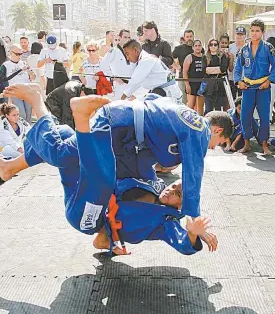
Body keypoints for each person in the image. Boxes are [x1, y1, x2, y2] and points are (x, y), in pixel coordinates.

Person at [0, 84, 224, 254]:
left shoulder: (166, 220)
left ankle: (12, 165)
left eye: (176, 195)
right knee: (67, 141)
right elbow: (193, 175)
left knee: (95, 172)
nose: (170, 190)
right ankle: (44, 114)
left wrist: (193, 232)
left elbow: (183, 242)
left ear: (179, 208)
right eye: (174, 186)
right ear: (217, 130)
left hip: (87, 215)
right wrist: (193, 212)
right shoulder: (197, 135)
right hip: (114, 138)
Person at [234, 19, 275, 155]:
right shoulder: (244, 49)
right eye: (252, 30)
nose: (254, 33)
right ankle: (247, 143)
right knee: (245, 116)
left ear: (262, 32)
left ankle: (264, 144)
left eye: (257, 31)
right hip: (247, 87)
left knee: (264, 117)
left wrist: (270, 80)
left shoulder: (268, 47)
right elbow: (237, 67)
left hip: (263, 87)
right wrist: (238, 81)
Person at [0, 44, 35, 123]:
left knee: (28, 114)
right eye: (17, 54)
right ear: (11, 53)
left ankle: (28, 132)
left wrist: (30, 72)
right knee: (21, 114)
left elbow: (33, 77)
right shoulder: (5, 65)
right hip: (15, 92)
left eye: (21, 54)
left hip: (27, 90)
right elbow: (2, 79)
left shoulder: (24, 63)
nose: (19, 56)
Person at [100, 29, 136, 100]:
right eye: (125, 37)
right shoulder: (113, 51)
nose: (127, 39)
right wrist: (113, 77)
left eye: (129, 38)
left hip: (131, 85)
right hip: (119, 85)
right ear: (119, 38)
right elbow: (103, 65)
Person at [202, 38, 229, 115]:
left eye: (215, 44)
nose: (213, 46)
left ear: (218, 46)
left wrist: (209, 70)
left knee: (218, 109)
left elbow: (223, 69)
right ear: (208, 46)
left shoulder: (222, 56)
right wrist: (217, 69)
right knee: (208, 109)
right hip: (209, 86)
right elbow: (204, 70)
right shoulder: (205, 57)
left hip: (219, 86)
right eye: (211, 44)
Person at [183, 39, 205, 114]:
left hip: (201, 84)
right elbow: (184, 72)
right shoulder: (189, 57)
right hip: (192, 84)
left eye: (199, 45)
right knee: (191, 105)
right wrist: (187, 85)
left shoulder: (205, 57)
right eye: (196, 46)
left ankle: (200, 122)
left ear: (202, 47)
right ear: (193, 47)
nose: (197, 47)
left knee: (200, 106)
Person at [229, 27, 247, 99]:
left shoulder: (248, 47)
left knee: (243, 99)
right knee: (231, 100)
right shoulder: (230, 47)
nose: (239, 36)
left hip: (244, 78)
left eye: (241, 34)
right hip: (232, 78)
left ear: (245, 36)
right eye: (238, 34)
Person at [219, 33, 234, 110]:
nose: (224, 44)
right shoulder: (215, 52)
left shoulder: (229, 54)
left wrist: (231, 59)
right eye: (222, 42)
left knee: (226, 102)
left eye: (226, 43)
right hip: (215, 79)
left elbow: (230, 69)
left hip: (225, 79)